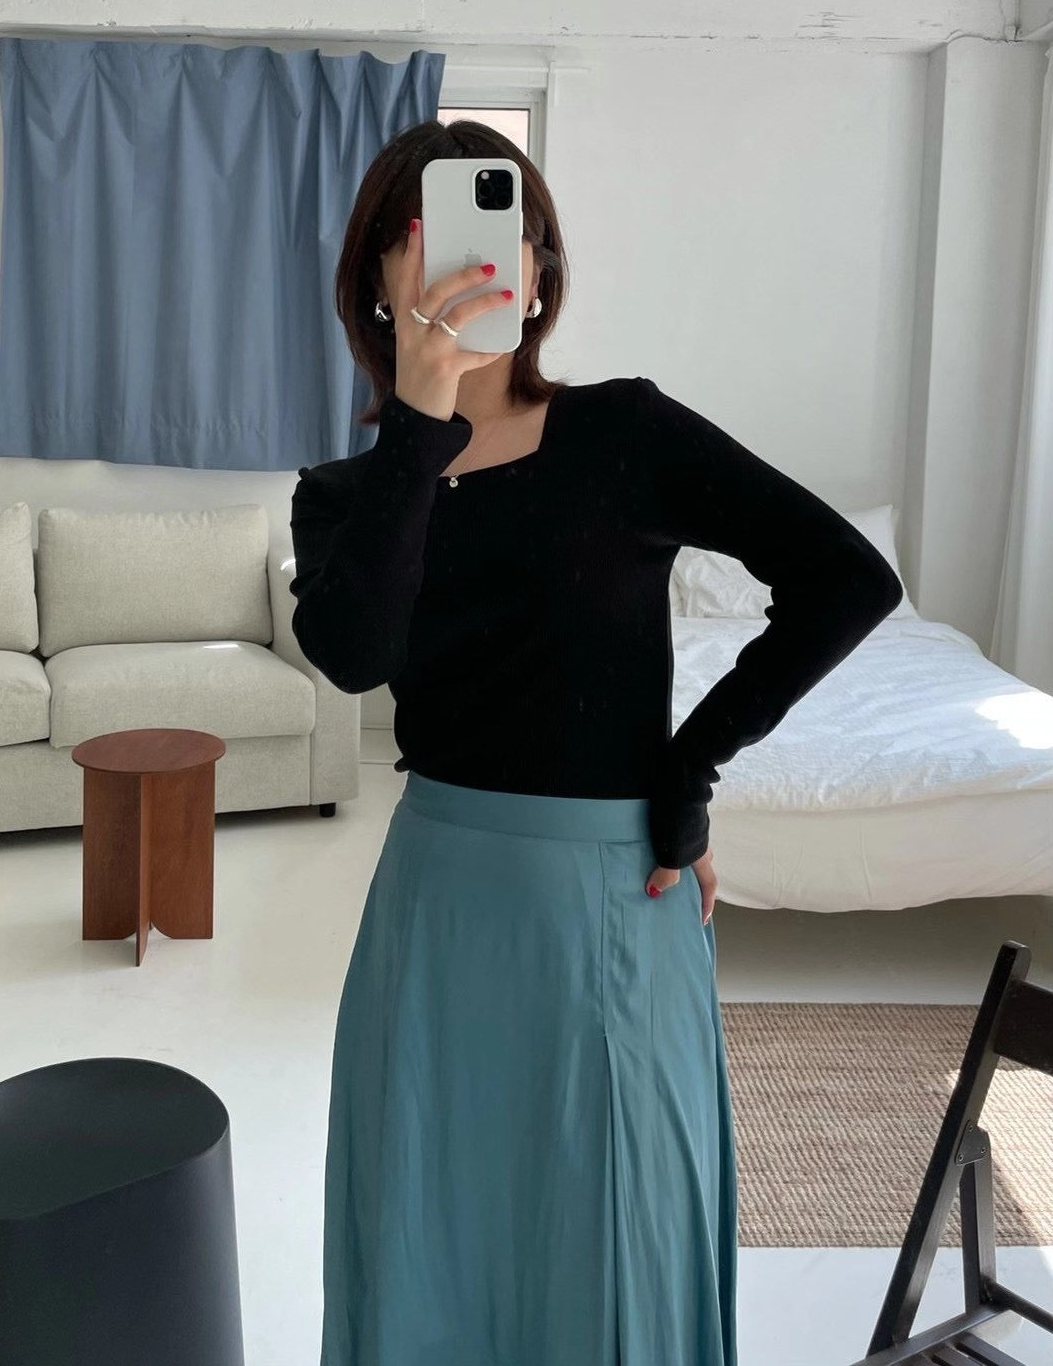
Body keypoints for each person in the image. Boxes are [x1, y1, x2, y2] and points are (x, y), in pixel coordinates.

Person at [290, 119, 904, 1366]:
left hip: (617, 906)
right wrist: (420, 421)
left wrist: (689, 765)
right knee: (432, 1232)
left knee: (621, 1241)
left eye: (502, 229)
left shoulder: (627, 434)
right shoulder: (345, 496)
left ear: (539, 270)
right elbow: (353, 654)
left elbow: (847, 578)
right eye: (424, 233)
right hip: (439, 914)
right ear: (378, 280)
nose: (470, 257)